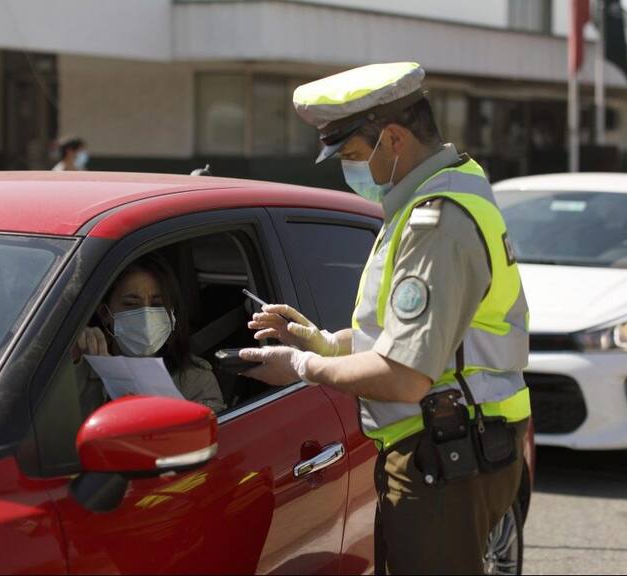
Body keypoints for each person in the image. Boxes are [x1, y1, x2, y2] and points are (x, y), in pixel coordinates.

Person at [240, 62, 531, 575]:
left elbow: (403, 375)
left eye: (352, 155)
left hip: (444, 459)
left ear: (393, 139)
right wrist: (327, 344)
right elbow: (420, 338)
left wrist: (301, 367)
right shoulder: (454, 187)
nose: (350, 171)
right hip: (467, 446)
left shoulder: (434, 221)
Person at [72, 253, 225, 414]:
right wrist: (72, 359)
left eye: (157, 304)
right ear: (105, 313)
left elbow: (207, 433)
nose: (146, 317)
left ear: (171, 314)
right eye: (131, 304)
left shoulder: (194, 378)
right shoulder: (78, 370)